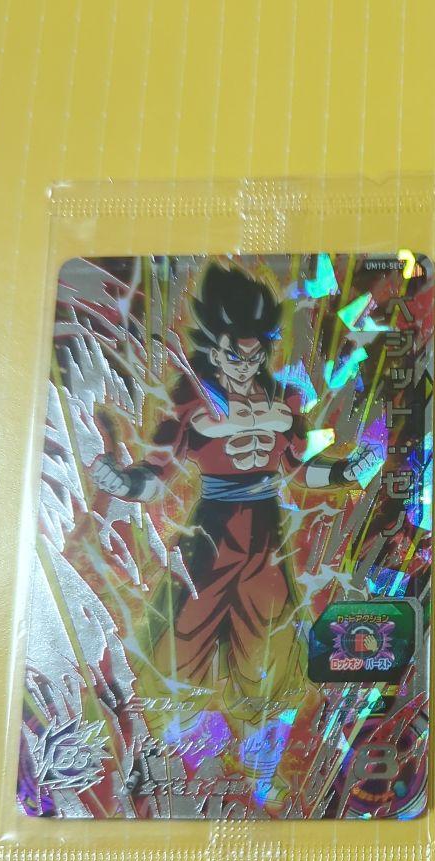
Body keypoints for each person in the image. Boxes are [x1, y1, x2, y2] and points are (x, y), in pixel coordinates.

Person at [91, 261, 378, 732]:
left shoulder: (283, 397)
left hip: (264, 532)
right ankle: (161, 730)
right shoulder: (191, 397)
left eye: (254, 356)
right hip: (211, 529)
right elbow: (158, 473)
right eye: (234, 356)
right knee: (186, 629)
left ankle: (261, 737)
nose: (245, 368)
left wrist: (347, 470)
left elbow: (299, 469)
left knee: (268, 635)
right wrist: (123, 483)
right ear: (214, 347)